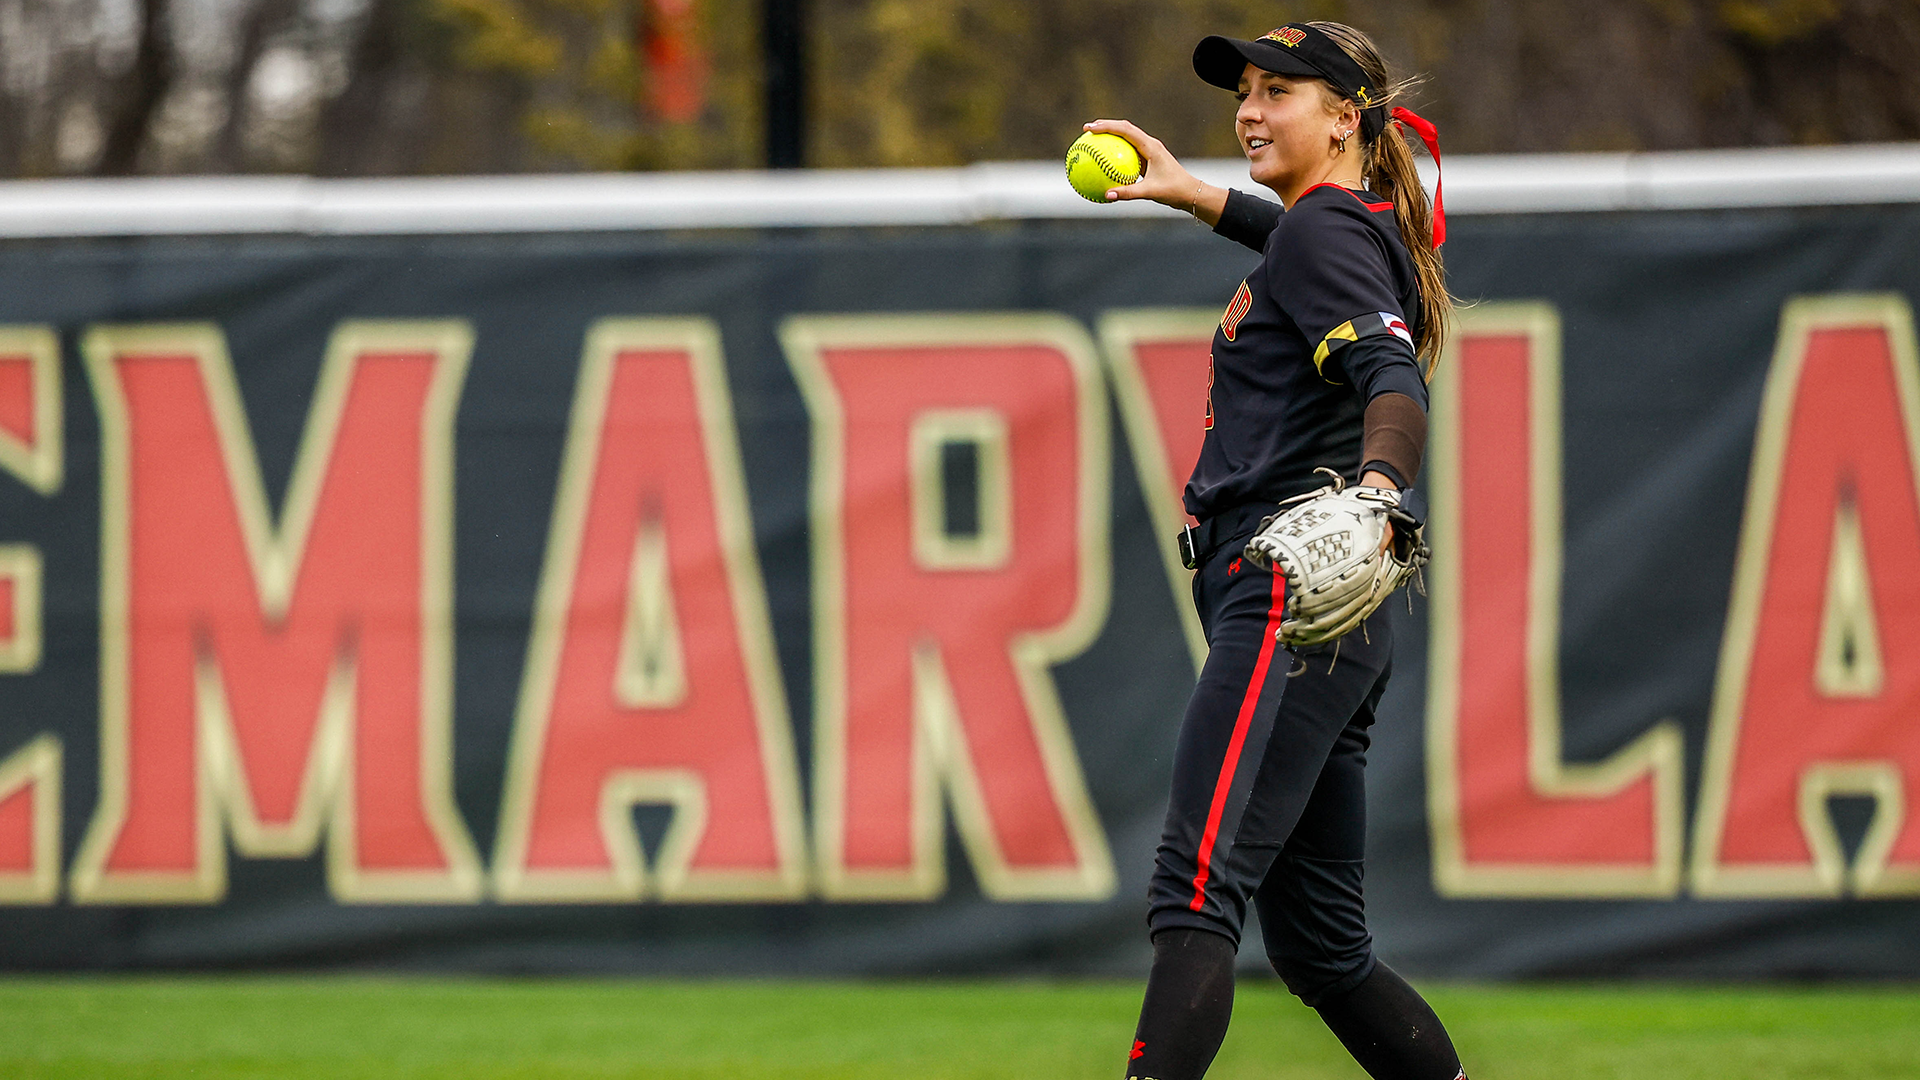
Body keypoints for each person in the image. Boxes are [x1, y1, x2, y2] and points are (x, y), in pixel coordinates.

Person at [1083, 21, 1468, 1080]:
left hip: (1290, 595)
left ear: (1345, 119)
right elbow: (1294, 242)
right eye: (1243, 90)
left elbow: (1395, 382)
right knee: (1323, 947)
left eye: (1278, 92)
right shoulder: (1336, 226)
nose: (1249, 110)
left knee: (1197, 886)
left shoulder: (1319, 233)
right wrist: (1195, 193)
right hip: (1333, 619)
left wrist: (1381, 492)